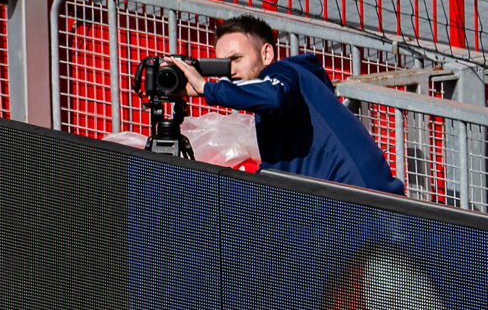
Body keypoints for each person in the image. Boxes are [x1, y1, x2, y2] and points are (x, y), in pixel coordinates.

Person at [170, 15, 405, 194]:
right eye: (222, 65)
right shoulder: (289, 96)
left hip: (363, 211)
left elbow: (273, 95)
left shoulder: (284, 73)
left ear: (267, 53)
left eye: (236, 59)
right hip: (354, 208)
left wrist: (207, 88)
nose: (230, 71)